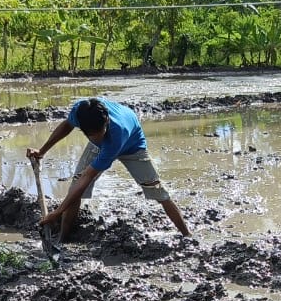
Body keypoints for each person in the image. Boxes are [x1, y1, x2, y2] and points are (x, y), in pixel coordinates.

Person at [26, 97, 190, 241]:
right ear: (83, 129)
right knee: (74, 188)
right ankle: (62, 240)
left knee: (158, 192)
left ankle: (187, 235)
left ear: (106, 122)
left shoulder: (115, 136)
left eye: (101, 132)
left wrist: (57, 212)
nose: (99, 137)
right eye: (92, 135)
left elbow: (87, 178)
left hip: (133, 145)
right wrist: (42, 151)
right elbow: (67, 125)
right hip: (101, 146)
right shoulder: (80, 112)